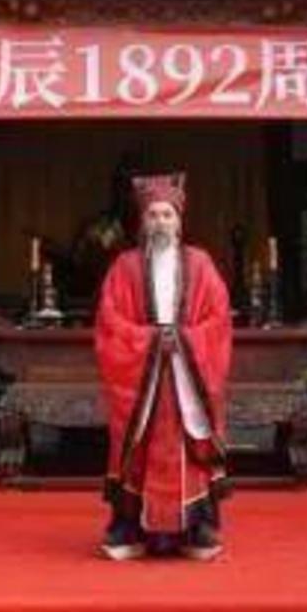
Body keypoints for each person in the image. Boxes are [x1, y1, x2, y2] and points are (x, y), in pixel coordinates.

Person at [95, 172, 233, 561]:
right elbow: (109, 321)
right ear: (143, 221)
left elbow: (218, 318)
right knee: (136, 447)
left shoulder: (201, 264)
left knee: (191, 445)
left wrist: (184, 341)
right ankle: (129, 526)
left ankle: (196, 528)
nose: (160, 222)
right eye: (153, 215)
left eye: (167, 215)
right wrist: (153, 341)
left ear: (179, 220)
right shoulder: (124, 267)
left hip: (188, 373)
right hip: (143, 375)